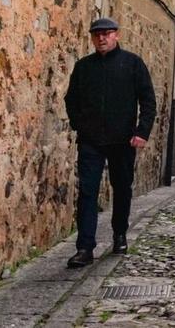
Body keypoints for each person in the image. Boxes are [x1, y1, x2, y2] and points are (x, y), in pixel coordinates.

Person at [63, 17, 156, 268]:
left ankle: (120, 234)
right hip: (91, 140)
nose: (101, 38)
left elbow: (148, 101)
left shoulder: (133, 64)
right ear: (92, 38)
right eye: (97, 35)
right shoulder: (84, 68)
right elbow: (71, 100)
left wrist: (141, 132)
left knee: (122, 188)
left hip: (123, 140)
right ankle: (84, 247)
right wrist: (79, 124)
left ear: (116, 35)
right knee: (88, 191)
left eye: (106, 34)